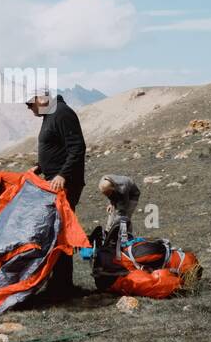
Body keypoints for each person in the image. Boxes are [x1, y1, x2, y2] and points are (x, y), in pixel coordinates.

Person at [25, 90, 86, 295]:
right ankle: (59, 283)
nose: (29, 109)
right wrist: (39, 167)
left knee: (60, 233)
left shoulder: (62, 113)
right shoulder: (50, 115)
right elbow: (56, 148)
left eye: (30, 104)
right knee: (55, 232)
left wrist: (63, 175)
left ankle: (62, 285)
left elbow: (77, 147)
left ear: (40, 99)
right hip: (54, 183)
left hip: (64, 184)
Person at [98, 174, 141, 241]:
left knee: (125, 217)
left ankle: (128, 235)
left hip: (131, 196)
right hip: (117, 193)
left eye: (107, 193)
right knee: (111, 214)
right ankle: (108, 235)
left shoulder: (122, 189)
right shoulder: (104, 180)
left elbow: (122, 210)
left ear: (112, 189)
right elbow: (110, 195)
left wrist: (116, 223)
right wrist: (111, 203)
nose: (106, 195)